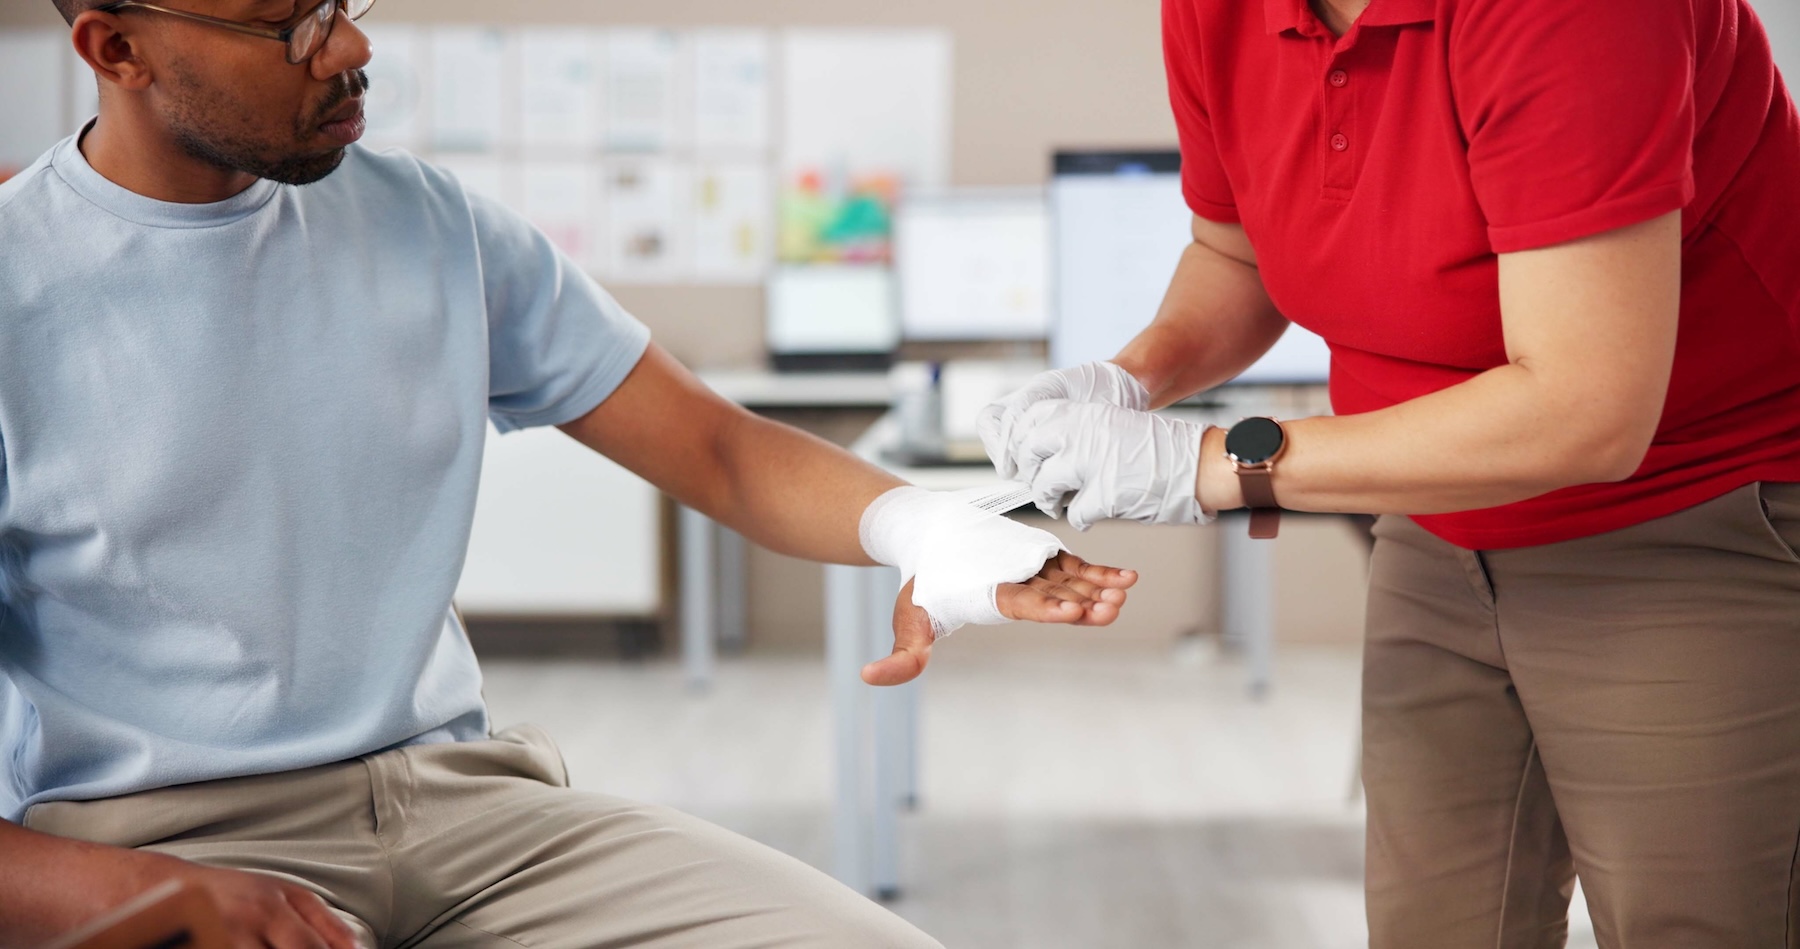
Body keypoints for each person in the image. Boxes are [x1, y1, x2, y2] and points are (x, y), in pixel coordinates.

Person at [0, 0, 1141, 946]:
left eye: (344, 5)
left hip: (466, 810)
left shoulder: (431, 226)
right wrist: (130, 895)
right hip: (156, 844)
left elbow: (720, 449)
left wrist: (924, 529)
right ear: (117, 50)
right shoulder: (19, 289)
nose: (348, 49)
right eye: (288, 27)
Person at [982, 0, 1800, 944]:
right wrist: (1130, 379)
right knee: (1436, 925)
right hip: (1438, 518)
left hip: (1690, 519)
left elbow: (1588, 411)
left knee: (1694, 923)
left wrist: (1214, 463)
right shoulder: (1219, 10)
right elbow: (1235, 254)